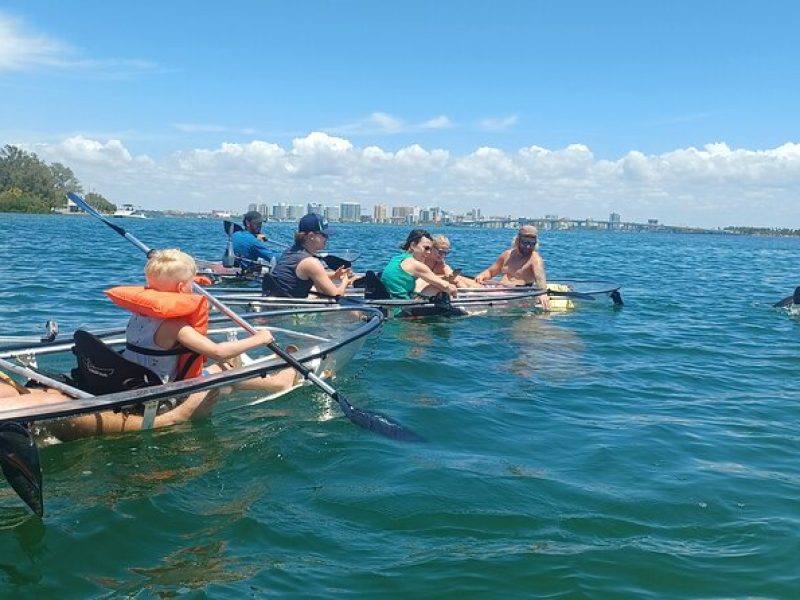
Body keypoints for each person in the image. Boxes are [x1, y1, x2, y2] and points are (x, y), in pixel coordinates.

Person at [2, 249, 298, 441]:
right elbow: (217, 351)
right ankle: (278, 383)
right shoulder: (176, 325)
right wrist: (260, 338)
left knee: (210, 366)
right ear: (184, 288)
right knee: (221, 373)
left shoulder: (140, 313)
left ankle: (271, 379)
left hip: (129, 376)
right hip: (159, 388)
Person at [264, 213, 354, 298]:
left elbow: (311, 274)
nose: (327, 238)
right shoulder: (310, 262)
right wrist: (345, 281)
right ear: (311, 236)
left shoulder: (290, 252)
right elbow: (337, 295)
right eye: (324, 235)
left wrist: (334, 276)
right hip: (291, 311)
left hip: (277, 306)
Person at [474, 225, 551, 309]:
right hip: (496, 290)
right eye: (525, 242)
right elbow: (490, 272)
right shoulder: (507, 255)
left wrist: (542, 293)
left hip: (514, 296)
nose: (528, 247)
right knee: (459, 279)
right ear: (517, 241)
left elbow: (540, 279)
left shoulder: (535, 260)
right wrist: (482, 276)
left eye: (532, 243)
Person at [380, 229, 458, 299]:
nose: (428, 252)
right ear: (413, 245)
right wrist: (453, 290)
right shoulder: (415, 265)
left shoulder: (397, 258)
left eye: (430, 249)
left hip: (390, 302)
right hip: (402, 308)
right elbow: (445, 286)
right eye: (426, 248)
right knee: (439, 288)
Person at [416, 234, 482, 293]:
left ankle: (469, 293)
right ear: (431, 248)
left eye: (445, 253)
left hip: (431, 284)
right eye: (440, 252)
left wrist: (451, 276)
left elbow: (450, 274)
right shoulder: (421, 259)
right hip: (419, 286)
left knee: (457, 279)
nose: (443, 256)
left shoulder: (440, 262)